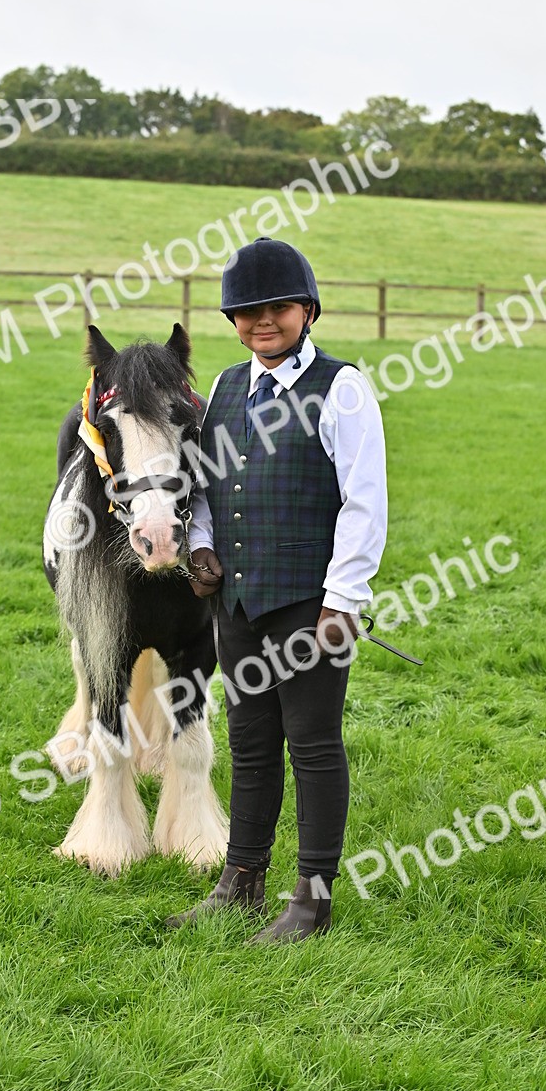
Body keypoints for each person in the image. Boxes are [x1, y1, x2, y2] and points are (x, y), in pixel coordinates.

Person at [165, 236, 387, 943]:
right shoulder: (227, 387)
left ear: (308, 310)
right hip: (237, 603)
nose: (263, 320)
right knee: (251, 743)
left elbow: (364, 503)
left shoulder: (342, 388)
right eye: (248, 310)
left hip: (308, 604)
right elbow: (206, 486)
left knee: (313, 746)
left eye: (279, 307)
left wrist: (342, 600)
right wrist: (200, 544)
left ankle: (312, 902)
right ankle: (241, 884)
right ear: (233, 320)